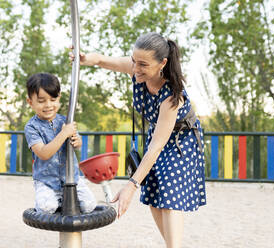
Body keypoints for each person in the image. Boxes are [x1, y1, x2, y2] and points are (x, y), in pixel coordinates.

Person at [70, 32, 206, 248]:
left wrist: (131, 185)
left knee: (169, 194)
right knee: (154, 194)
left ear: (162, 63)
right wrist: (86, 59)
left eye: (143, 64)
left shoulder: (172, 96)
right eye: (134, 60)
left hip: (181, 140)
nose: (135, 68)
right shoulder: (136, 68)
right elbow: (105, 61)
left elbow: (157, 147)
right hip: (158, 135)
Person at [24, 72, 97, 214]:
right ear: (30, 102)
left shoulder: (66, 120)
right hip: (47, 182)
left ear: (59, 98)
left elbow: (78, 142)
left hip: (72, 178)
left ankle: (63, 199)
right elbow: (44, 153)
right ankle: (49, 200)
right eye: (41, 101)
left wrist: (77, 141)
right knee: (47, 208)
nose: (48, 105)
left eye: (53, 99)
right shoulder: (32, 127)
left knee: (89, 206)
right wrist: (64, 134)